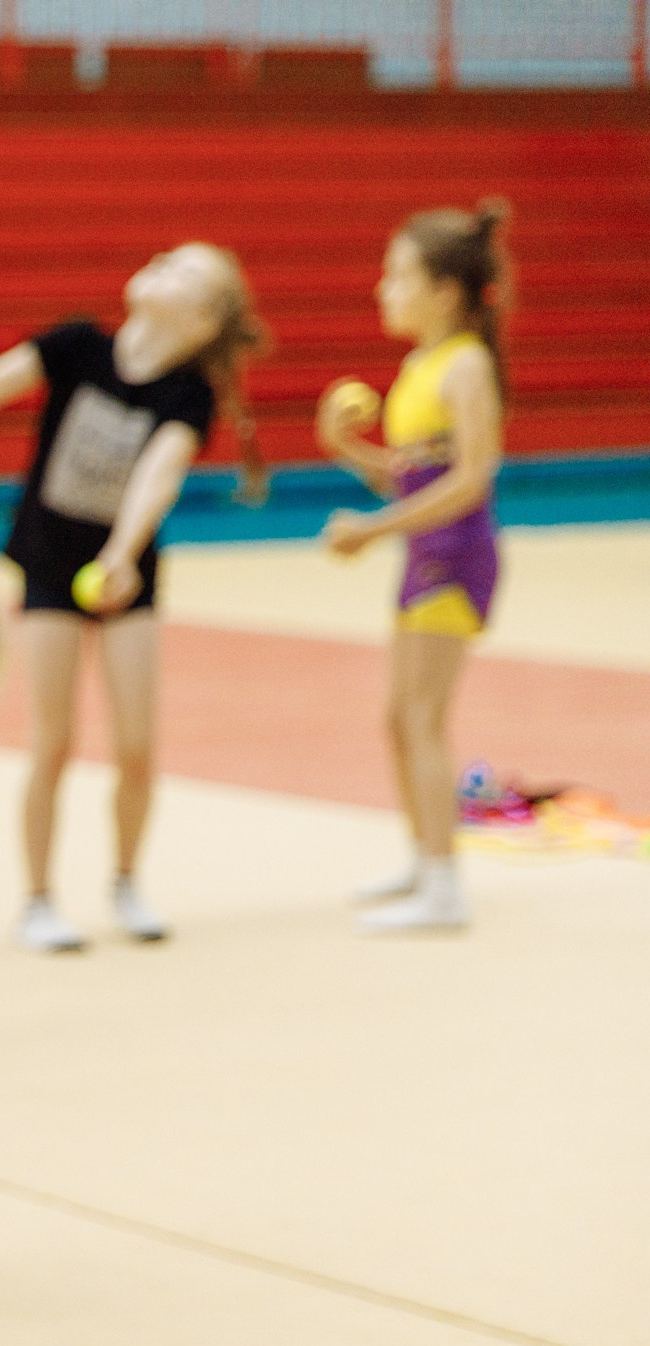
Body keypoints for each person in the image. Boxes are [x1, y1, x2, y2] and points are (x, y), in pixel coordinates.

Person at [0, 244, 268, 952]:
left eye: (183, 272)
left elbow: (158, 475)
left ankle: (124, 880)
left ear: (204, 321)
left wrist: (120, 553)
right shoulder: (79, 343)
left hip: (125, 575)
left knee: (137, 746)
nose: (160, 265)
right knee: (52, 740)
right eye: (167, 257)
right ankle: (39, 897)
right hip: (49, 565)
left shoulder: (186, 393)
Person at [318, 201, 511, 935]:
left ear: (446, 290)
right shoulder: (418, 366)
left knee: (424, 717)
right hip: (425, 554)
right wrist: (345, 447)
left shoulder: (465, 367)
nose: (382, 288)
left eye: (398, 274)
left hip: (454, 558)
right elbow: (409, 479)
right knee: (399, 718)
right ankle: (422, 855)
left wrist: (371, 532)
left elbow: (469, 480)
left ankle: (444, 887)